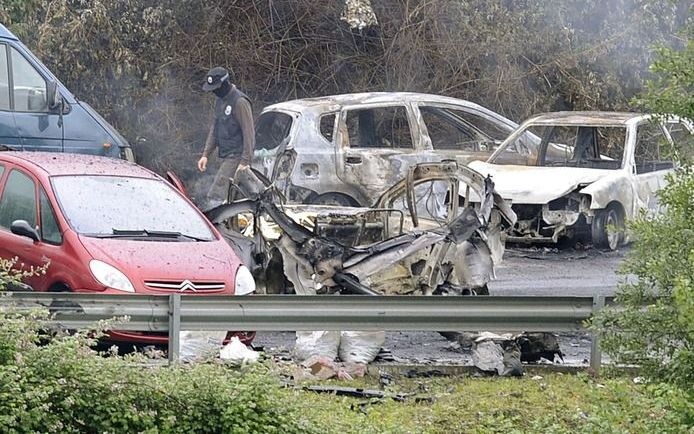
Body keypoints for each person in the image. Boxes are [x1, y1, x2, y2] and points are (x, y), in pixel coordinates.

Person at [197, 66, 255, 207]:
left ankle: (214, 225)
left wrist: (244, 162)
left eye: (215, 88)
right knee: (232, 198)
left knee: (216, 195)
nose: (213, 92)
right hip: (225, 155)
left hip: (237, 156)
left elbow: (249, 133)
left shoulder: (240, 102)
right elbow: (215, 129)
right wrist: (206, 154)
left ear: (224, 84)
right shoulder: (220, 101)